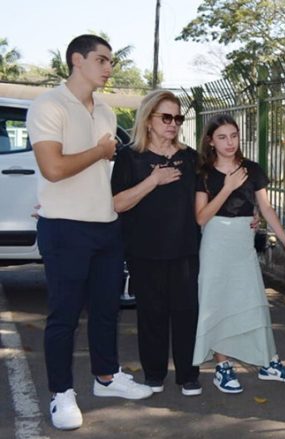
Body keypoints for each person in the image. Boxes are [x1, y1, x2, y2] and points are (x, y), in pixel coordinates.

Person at [26, 34, 152, 431]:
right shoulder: (48, 105)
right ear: (76, 60)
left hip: (105, 226)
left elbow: (102, 173)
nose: (109, 67)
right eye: (101, 60)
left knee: (106, 310)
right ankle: (61, 394)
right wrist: (100, 151)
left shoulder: (107, 111)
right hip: (64, 227)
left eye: (111, 61)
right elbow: (54, 169)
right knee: (63, 315)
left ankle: (107, 378)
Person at [192, 114, 285, 394]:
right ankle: (222, 366)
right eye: (222, 137)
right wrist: (227, 187)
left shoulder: (252, 169)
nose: (230, 142)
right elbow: (201, 218)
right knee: (216, 300)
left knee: (252, 299)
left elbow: (265, 208)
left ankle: (267, 361)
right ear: (210, 141)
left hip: (242, 240)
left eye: (234, 135)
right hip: (215, 240)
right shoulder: (203, 173)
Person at [110, 90, 201, 397]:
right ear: (148, 120)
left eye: (177, 118)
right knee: (151, 314)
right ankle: (154, 374)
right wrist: (153, 181)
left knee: (187, 313)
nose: (173, 124)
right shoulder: (128, 156)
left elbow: (205, 201)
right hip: (144, 250)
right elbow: (118, 203)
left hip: (186, 248)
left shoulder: (190, 158)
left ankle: (188, 374)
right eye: (166, 117)